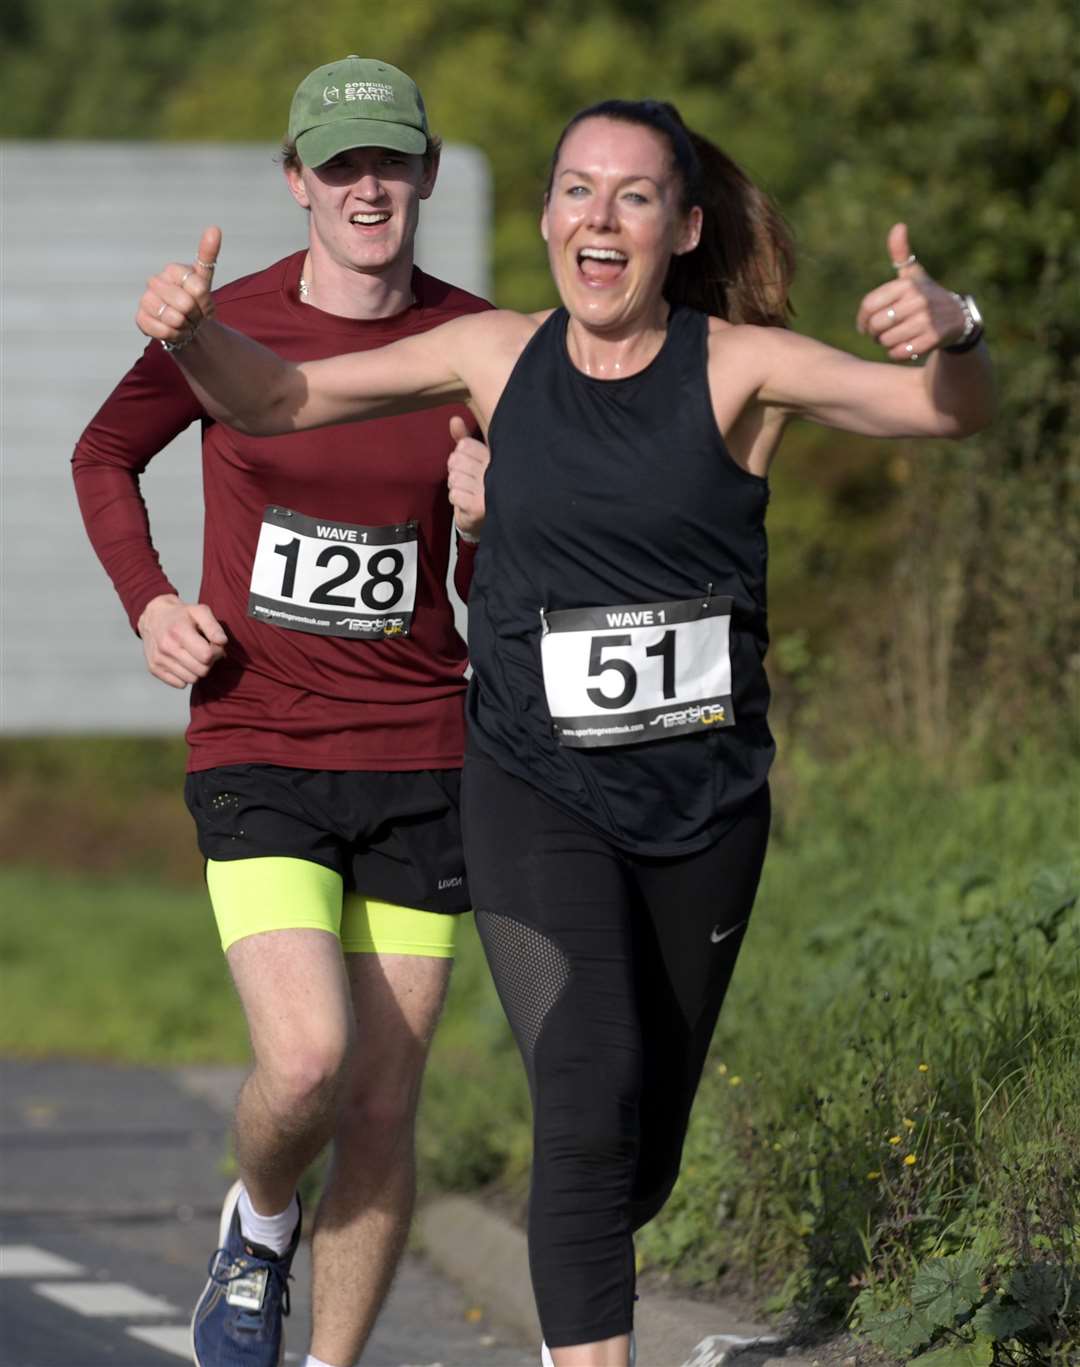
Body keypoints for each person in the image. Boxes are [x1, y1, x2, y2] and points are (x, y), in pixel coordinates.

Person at [134, 98, 994, 1366]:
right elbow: (274, 398)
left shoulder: (740, 368)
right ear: (546, 217)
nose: (600, 218)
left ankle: (606, 1234)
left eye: (634, 196)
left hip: (701, 808)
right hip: (533, 790)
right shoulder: (492, 352)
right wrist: (197, 334)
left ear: (681, 226)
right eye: (577, 191)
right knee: (583, 1101)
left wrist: (958, 329)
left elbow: (945, 414)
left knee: (634, 1150)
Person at [74, 55, 493, 1367]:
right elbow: (104, 455)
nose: (369, 188)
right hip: (259, 734)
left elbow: (489, 576)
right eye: (341, 164)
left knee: (379, 1100)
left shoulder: (477, 344)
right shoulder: (226, 324)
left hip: (423, 747)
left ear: (425, 173)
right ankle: (257, 1222)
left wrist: (489, 524)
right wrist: (149, 601)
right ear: (297, 178)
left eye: (391, 163)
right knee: (308, 1058)